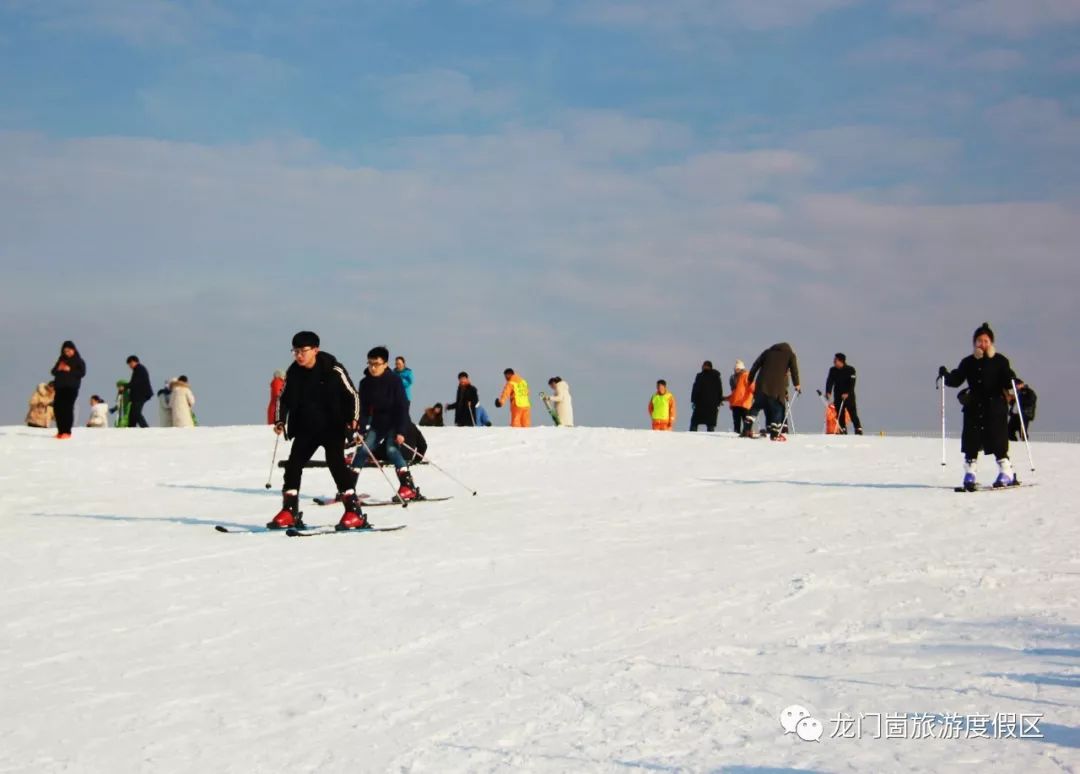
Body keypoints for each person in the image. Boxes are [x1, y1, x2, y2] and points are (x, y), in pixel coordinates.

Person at [272, 331, 366, 530]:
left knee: (336, 464)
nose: (299, 355)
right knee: (293, 465)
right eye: (295, 351)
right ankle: (290, 511)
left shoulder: (333, 368)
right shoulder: (294, 372)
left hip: (333, 425)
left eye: (303, 351)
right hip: (306, 427)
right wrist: (280, 420)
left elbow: (353, 395)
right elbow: (284, 398)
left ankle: (353, 511)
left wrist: (355, 419)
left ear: (315, 350)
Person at [939, 322, 1018, 490]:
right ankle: (970, 473)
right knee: (971, 439)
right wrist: (946, 375)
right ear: (974, 343)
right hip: (974, 406)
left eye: (986, 341)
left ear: (991, 342)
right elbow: (957, 378)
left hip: (995, 406)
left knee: (997, 439)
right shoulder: (968, 362)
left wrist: (1012, 379)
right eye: (979, 341)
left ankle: (1006, 471)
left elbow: (1006, 378)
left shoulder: (1000, 361)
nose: (983, 344)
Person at [357, 346, 423, 501]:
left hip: (396, 420)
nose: (373, 367)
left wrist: (400, 431)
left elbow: (402, 407)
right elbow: (364, 409)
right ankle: (347, 490)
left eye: (376, 364)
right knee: (362, 451)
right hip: (379, 423)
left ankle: (407, 487)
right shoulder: (365, 383)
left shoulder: (394, 380)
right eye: (370, 364)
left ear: (385, 364)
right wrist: (361, 429)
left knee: (392, 450)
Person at [745, 342, 801, 440]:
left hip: (761, 384)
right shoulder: (790, 355)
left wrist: (750, 379)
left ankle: (746, 429)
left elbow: (756, 365)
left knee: (757, 405)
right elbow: (794, 370)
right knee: (778, 408)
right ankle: (775, 434)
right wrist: (797, 384)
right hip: (776, 386)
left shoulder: (767, 352)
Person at [50, 340, 86, 439]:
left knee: (67, 409)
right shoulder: (61, 360)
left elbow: (82, 373)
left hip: (71, 388)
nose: (67, 353)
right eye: (65, 351)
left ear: (73, 350)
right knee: (57, 408)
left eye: (69, 350)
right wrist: (59, 369)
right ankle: (60, 431)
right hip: (59, 388)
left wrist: (70, 369)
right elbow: (53, 371)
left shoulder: (79, 360)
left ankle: (67, 431)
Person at [825, 353, 863, 435]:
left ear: (841, 361)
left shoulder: (851, 370)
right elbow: (830, 381)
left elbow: (852, 383)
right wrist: (828, 391)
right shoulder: (832, 370)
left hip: (849, 395)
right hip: (838, 395)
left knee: (852, 413)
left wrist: (847, 393)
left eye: (835, 360)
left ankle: (858, 429)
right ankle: (842, 429)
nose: (834, 362)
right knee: (839, 413)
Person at [689, 360, 723, 432]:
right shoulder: (716, 376)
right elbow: (719, 389)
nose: (703, 367)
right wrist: (719, 400)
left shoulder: (700, 376)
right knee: (710, 424)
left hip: (701, 403)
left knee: (695, 422)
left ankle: (691, 436)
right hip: (711, 404)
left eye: (704, 366)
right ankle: (710, 437)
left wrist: (693, 400)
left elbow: (695, 389)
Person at [125, 355, 153, 428]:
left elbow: (135, 382)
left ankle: (145, 428)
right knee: (132, 413)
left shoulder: (140, 369)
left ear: (134, 362)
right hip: (137, 395)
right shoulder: (138, 369)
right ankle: (131, 428)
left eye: (130, 364)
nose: (130, 366)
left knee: (136, 412)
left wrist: (125, 387)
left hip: (141, 395)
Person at [728, 359, 755, 433]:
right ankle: (744, 433)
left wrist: (755, 393)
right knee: (741, 423)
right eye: (735, 369)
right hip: (738, 403)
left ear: (742, 368)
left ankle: (745, 432)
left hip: (744, 403)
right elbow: (734, 392)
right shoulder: (734, 378)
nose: (736, 370)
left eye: (738, 369)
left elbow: (752, 386)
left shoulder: (745, 375)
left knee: (744, 422)